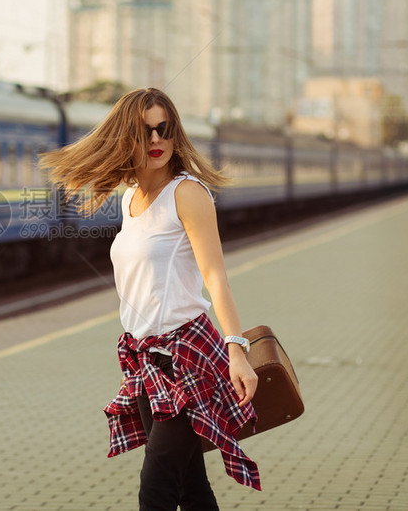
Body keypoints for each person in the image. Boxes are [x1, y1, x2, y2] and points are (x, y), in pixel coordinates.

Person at [40, 88, 261, 509]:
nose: (157, 140)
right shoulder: (131, 200)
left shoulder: (188, 193)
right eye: (146, 132)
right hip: (145, 362)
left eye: (165, 129)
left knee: (155, 489)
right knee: (191, 486)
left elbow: (216, 276)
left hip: (186, 356)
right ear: (127, 138)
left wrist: (236, 349)